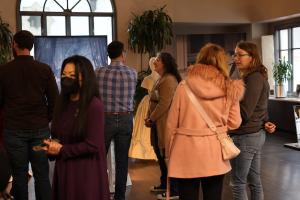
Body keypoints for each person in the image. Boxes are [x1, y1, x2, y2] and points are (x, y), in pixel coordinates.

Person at [164, 43, 244, 200]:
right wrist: (218, 126)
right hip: (214, 152)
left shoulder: (183, 86)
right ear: (222, 62)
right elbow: (235, 122)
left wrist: (168, 154)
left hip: (185, 152)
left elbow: (171, 124)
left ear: (200, 60)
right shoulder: (230, 88)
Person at [41, 55, 110, 200]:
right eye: (64, 75)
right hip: (64, 169)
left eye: (72, 75)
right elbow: (59, 134)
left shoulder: (94, 106)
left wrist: (62, 149)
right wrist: (52, 146)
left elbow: (93, 145)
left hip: (85, 172)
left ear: (84, 78)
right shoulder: (62, 103)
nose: (67, 79)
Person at [0, 30, 58, 200]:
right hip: (39, 129)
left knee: (19, 175)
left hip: (14, 129)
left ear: (15, 44)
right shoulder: (44, 69)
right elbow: (55, 100)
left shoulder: (3, 71)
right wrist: (45, 119)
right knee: (42, 174)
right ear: (31, 46)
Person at [230, 41, 273, 200]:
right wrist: (265, 121)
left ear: (252, 57)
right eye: (235, 54)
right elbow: (260, 107)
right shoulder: (254, 77)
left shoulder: (254, 78)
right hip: (253, 134)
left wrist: (228, 101)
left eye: (240, 55)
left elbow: (245, 112)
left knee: (237, 183)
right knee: (254, 181)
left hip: (246, 136)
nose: (236, 58)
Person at [95, 41, 137, 200]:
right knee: (122, 161)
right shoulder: (132, 73)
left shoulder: (98, 72)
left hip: (105, 118)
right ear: (122, 53)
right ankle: (120, 197)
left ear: (108, 54)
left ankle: (100, 193)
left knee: (99, 158)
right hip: (126, 118)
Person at [144, 52, 181, 200]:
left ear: (165, 63)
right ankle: (164, 184)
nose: (155, 62)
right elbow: (153, 100)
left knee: (166, 156)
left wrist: (151, 118)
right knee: (160, 155)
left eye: (158, 60)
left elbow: (164, 103)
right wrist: (149, 117)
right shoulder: (162, 78)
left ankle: (173, 189)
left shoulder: (169, 80)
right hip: (157, 122)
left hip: (164, 123)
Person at [129, 57, 160, 160]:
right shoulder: (149, 79)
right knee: (144, 127)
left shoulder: (156, 78)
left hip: (153, 102)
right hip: (149, 103)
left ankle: (154, 151)